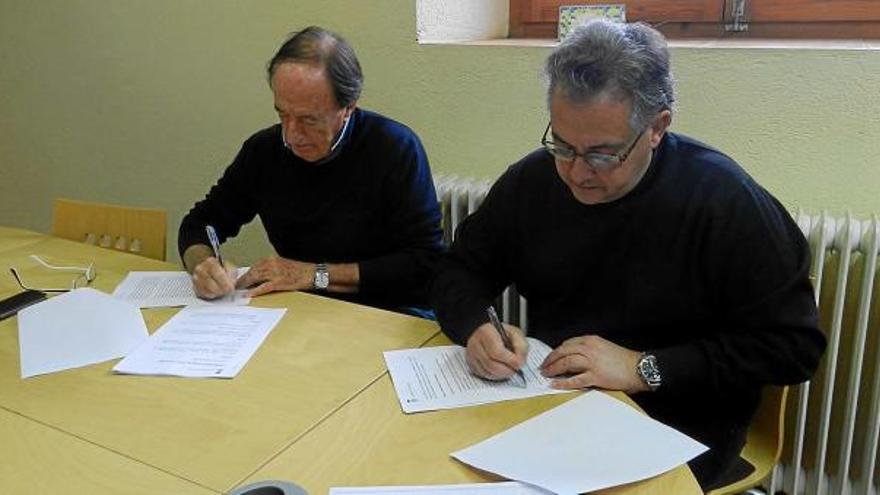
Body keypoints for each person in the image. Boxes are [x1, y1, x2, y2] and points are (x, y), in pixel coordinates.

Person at [430, 19, 826, 491]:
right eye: (562, 145)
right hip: (553, 401)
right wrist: (477, 326)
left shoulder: (724, 201)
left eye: (602, 154)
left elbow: (794, 348)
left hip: (682, 420)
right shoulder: (533, 182)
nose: (577, 173)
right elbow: (459, 270)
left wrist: (645, 367)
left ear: (657, 128)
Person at [179, 26, 443, 314]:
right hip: (304, 309)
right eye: (282, 114)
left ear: (348, 108)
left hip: (391, 313)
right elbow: (199, 224)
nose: (291, 135)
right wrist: (202, 265)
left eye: (309, 120)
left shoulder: (394, 148)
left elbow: (424, 263)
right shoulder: (264, 151)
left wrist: (315, 274)